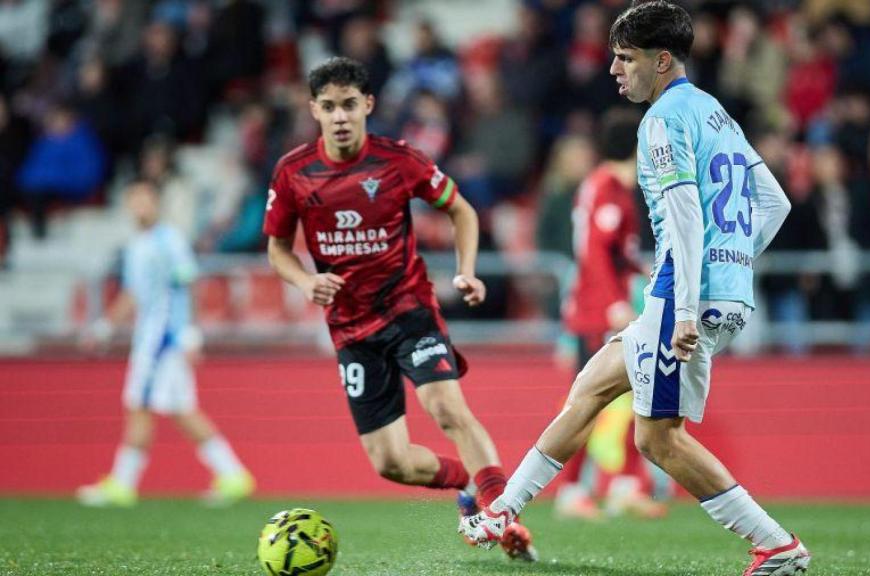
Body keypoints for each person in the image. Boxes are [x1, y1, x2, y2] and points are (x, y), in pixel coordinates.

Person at [459, 3, 810, 575]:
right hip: (711, 289)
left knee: (658, 440)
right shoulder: (715, 112)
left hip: (682, 296)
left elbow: (685, 214)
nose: (614, 70)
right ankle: (503, 511)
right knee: (591, 386)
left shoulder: (662, 120)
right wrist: (731, 264)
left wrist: (689, 304)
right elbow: (774, 202)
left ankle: (777, 545)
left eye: (625, 58)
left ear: (661, 60)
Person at [263, 56, 535, 561]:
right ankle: (469, 486)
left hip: (409, 309)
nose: (340, 116)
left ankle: (501, 514)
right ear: (314, 110)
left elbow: (461, 210)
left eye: (349, 104)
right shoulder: (293, 172)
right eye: (329, 106)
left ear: (367, 105)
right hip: (351, 330)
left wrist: (467, 270)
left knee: (446, 408)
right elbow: (277, 248)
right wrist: (305, 280)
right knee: (391, 462)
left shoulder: (398, 160)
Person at [77, 180, 254, 507]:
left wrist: (190, 333)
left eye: (145, 199)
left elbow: (188, 284)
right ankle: (232, 475)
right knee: (179, 409)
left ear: (156, 203)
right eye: (134, 200)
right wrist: (105, 327)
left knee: (141, 404)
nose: (140, 206)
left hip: (163, 337)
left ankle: (123, 484)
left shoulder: (169, 240)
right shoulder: (136, 245)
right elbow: (133, 294)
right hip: (149, 335)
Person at [556, 107, 667, 520]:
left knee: (640, 393)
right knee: (587, 403)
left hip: (607, 310)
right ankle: (571, 492)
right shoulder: (605, 187)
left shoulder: (614, 189)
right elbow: (593, 251)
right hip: (597, 315)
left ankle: (624, 486)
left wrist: (644, 273)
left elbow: (617, 254)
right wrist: (611, 303)